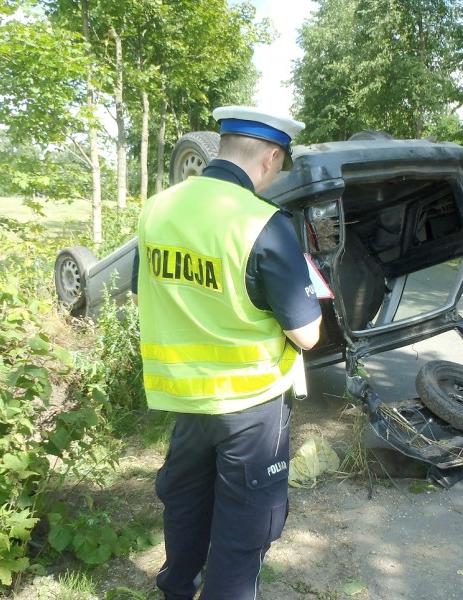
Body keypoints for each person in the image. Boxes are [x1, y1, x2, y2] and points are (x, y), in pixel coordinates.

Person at [132, 106, 323, 600]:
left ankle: (176, 588)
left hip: (186, 400)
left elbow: (146, 288)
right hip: (252, 404)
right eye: (279, 166)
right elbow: (308, 335)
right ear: (270, 157)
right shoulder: (263, 222)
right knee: (244, 531)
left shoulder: (159, 208)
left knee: (186, 505)